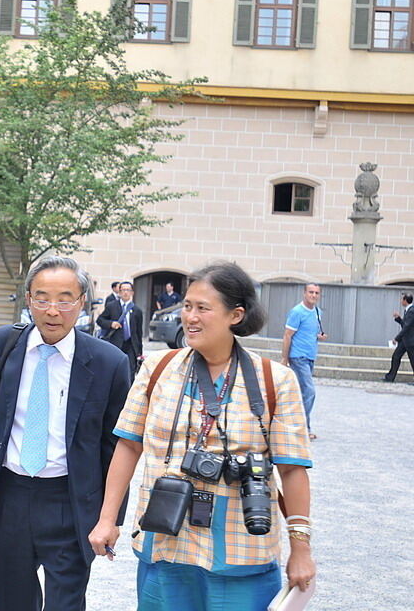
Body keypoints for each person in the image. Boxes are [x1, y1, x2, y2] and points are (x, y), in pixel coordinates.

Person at [89, 262, 316, 611]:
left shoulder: (275, 381)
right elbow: (127, 446)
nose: (190, 317)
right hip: (166, 544)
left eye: (203, 308)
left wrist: (301, 550)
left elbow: (292, 470)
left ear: (235, 315)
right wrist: (107, 520)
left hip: (241, 553)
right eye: (187, 306)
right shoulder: (157, 370)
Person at [0, 256, 131, 611]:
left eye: (65, 299)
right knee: (11, 602)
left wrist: (109, 519)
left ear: (82, 301)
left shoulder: (109, 362)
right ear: (28, 300)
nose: (53, 310)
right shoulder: (1, 346)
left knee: (66, 604)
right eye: (42, 298)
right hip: (10, 496)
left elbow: (116, 449)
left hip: (69, 501)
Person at [281, 283, 326, 439]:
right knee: (309, 392)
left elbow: (312, 333)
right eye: (311, 292)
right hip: (298, 356)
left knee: (300, 393)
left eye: (316, 293)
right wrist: (284, 358)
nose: (313, 295)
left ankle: (290, 424)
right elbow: (287, 335)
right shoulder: (297, 312)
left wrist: (318, 337)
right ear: (304, 293)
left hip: (310, 356)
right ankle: (302, 428)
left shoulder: (318, 312)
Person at [97, 281, 144, 376]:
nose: (125, 292)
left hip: (131, 345)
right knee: (114, 370)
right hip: (116, 343)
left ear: (132, 293)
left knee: (130, 372)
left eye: (128, 290)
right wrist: (111, 324)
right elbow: (100, 320)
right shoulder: (112, 306)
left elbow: (139, 332)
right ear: (119, 292)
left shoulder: (137, 310)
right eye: (123, 290)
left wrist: (139, 351)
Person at [383, 293, 414, 382]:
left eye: (402, 300)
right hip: (405, 341)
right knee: (396, 357)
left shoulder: (412, 311)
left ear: (405, 301)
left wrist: (396, 338)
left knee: (413, 360)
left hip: (410, 341)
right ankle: (390, 377)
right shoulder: (408, 310)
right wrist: (399, 319)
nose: (401, 301)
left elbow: (407, 327)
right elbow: (405, 324)